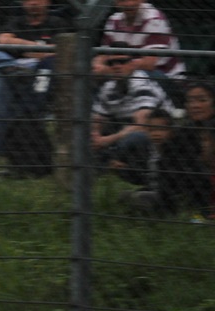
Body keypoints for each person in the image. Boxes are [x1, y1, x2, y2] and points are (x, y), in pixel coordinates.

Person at [0, 0, 71, 154]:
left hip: (39, 69)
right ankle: (8, 67)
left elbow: (62, 50)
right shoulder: (16, 21)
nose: (33, 3)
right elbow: (2, 40)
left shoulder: (57, 22)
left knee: (1, 76)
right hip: (13, 65)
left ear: (47, 2)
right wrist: (35, 48)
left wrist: (20, 47)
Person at [125, 83, 215, 216]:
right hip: (183, 190)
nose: (195, 105)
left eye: (202, 100)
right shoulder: (184, 132)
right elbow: (168, 165)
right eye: (191, 100)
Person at [91, 42, 173, 185]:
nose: (117, 66)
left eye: (122, 61)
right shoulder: (108, 87)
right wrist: (95, 136)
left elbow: (142, 126)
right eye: (111, 63)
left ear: (133, 64)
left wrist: (105, 141)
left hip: (155, 137)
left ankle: (111, 166)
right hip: (121, 132)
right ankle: (108, 166)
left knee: (135, 138)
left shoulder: (141, 84)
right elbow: (97, 120)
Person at [92, 0, 184, 82]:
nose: (129, 4)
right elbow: (104, 54)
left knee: (143, 76)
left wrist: (108, 70)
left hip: (165, 77)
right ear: (116, 2)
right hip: (126, 72)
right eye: (123, 0)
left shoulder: (154, 19)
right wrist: (98, 66)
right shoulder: (113, 20)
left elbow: (149, 64)